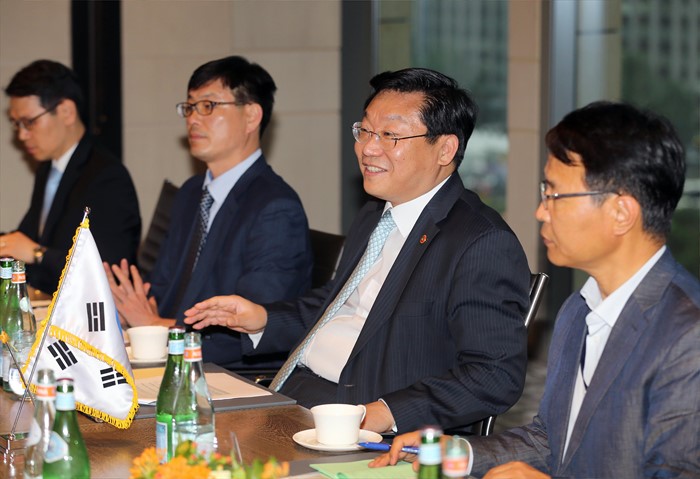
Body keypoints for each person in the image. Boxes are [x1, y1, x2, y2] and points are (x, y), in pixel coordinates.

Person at [184, 67, 531, 433]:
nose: (368, 148)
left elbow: (494, 374)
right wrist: (262, 319)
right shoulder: (375, 214)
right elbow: (336, 305)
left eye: (390, 135)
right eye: (364, 131)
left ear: (445, 149)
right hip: (295, 393)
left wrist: (385, 413)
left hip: (362, 419)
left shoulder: (480, 241)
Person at [370, 101, 700, 478]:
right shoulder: (579, 308)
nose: (541, 212)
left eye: (554, 195)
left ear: (621, 213)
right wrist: (459, 451)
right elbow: (551, 440)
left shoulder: (687, 334)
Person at [104, 55, 313, 371]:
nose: (193, 119)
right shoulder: (191, 193)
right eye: (189, 107)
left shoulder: (275, 209)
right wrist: (124, 307)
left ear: (251, 116)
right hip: (170, 354)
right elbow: (160, 289)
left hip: (228, 372)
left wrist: (154, 326)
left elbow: (248, 330)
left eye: (208, 106)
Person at [1, 59, 141, 295]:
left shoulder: (107, 177)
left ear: (66, 112)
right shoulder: (49, 167)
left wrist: (37, 254)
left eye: (29, 122)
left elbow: (106, 270)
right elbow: (26, 238)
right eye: (17, 124)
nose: (22, 135)